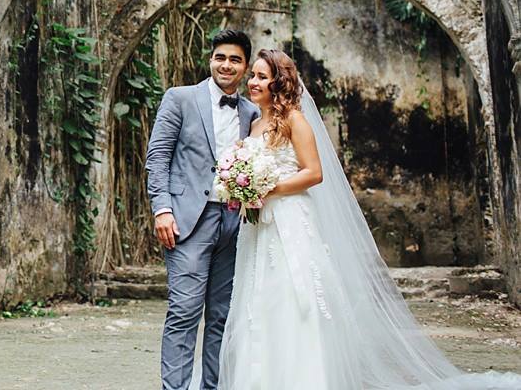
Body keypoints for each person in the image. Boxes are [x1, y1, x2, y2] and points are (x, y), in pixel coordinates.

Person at [217, 48, 521, 390]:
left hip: (289, 222)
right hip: (260, 225)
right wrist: (240, 187)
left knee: (292, 300)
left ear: (279, 82)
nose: (253, 82)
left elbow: (314, 173)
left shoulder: (294, 121)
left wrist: (269, 187)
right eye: (253, 76)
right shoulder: (256, 124)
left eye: (261, 76)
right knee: (259, 301)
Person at [145, 30, 261, 390]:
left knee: (221, 316)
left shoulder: (252, 112)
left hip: (235, 222)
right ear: (211, 59)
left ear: (244, 68)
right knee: (184, 310)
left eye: (235, 60)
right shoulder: (180, 98)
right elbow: (158, 156)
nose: (226, 65)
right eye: (220, 57)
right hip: (186, 220)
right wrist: (162, 209)